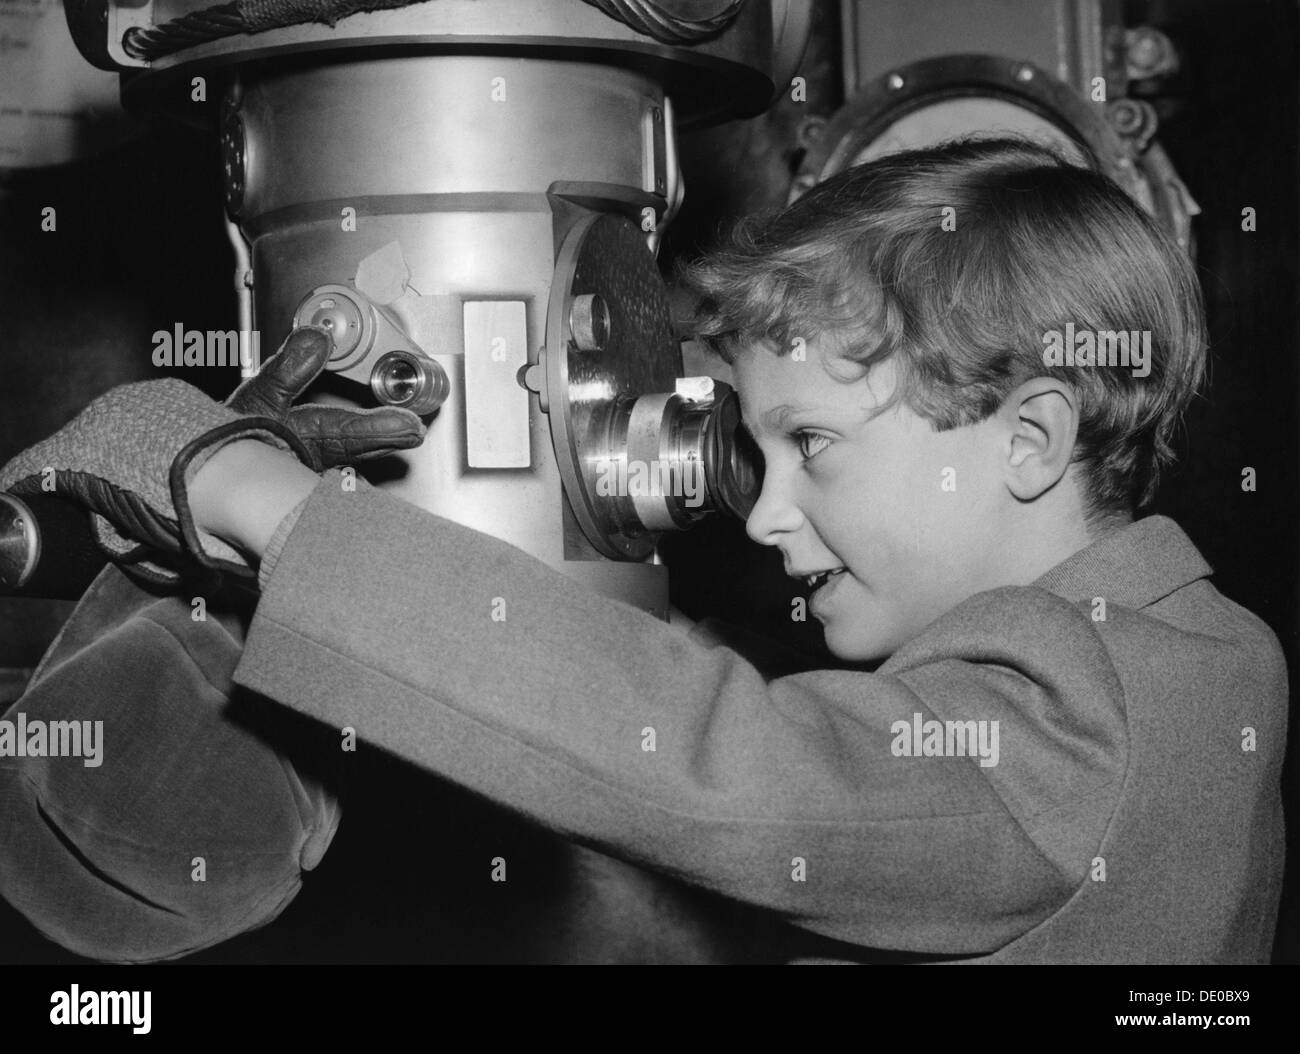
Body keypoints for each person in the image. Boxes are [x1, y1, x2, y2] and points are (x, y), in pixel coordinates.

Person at [0, 138, 1287, 963]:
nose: (763, 512)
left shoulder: (1086, 723)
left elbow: (716, 764)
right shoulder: (1190, 659)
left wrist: (262, 500)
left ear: (1025, 440)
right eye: (755, 449)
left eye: (814, 446)